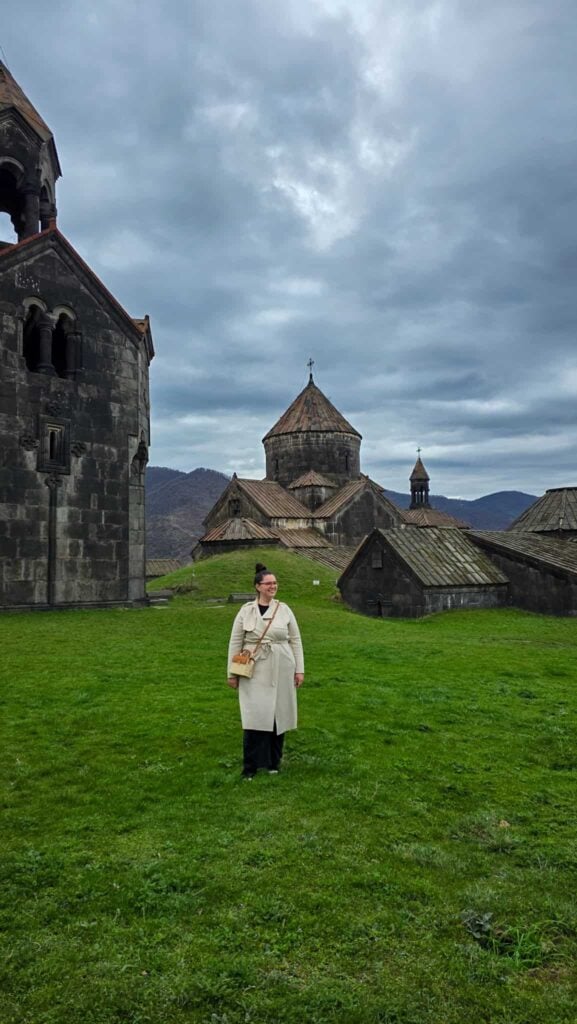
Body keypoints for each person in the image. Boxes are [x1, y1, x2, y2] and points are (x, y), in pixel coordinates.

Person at [227, 563, 304, 778]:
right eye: (269, 583)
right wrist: (231, 673)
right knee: (254, 716)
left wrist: (300, 670)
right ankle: (250, 766)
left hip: (282, 667)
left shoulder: (284, 609)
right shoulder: (245, 611)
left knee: (278, 716)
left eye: (275, 583)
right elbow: (235, 641)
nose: (273, 586)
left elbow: (296, 640)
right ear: (258, 586)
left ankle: (273, 763)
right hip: (254, 668)